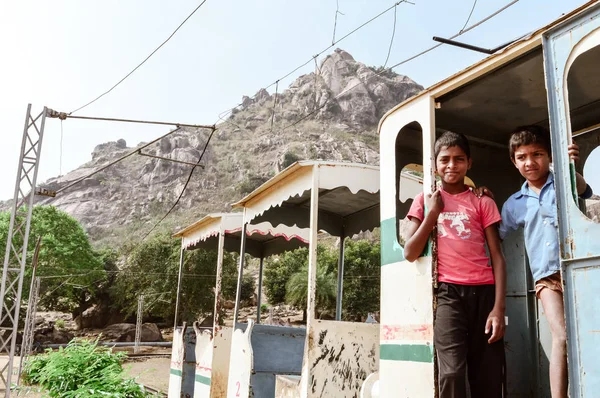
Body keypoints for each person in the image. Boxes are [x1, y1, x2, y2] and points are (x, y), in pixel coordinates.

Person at [404, 131, 507, 398]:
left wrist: (498, 309)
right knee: (450, 373)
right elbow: (409, 251)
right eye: (445, 159)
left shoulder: (482, 201)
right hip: (448, 295)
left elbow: (497, 255)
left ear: (469, 163)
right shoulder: (424, 201)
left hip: (484, 294)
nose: (452, 165)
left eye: (459, 159)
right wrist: (432, 214)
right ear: (435, 164)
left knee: (489, 376)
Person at [498, 125, 592, 398]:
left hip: (578, 268)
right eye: (522, 156)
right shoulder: (514, 203)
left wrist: (570, 167)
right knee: (561, 337)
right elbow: (496, 235)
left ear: (550, 156)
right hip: (545, 279)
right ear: (514, 162)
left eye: (538, 154)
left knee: (589, 332)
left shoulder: (565, 180)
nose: (530, 162)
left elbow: (585, 191)